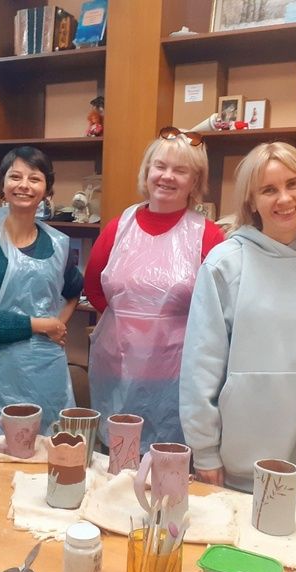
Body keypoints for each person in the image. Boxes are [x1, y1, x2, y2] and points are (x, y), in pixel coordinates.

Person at [179, 142, 296, 500]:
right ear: (251, 201)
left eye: (293, 184)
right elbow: (200, 366)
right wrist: (204, 450)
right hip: (244, 462)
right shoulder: (225, 263)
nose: (284, 198)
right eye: (269, 190)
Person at [85, 127, 225, 451]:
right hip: (116, 372)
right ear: (147, 171)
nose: (167, 176)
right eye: (160, 166)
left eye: (181, 170)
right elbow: (93, 288)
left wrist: (159, 338)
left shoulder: (209, 236)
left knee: (167, 469)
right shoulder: (118, 228)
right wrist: (134, 329)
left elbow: (218, 312)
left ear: (195, 180)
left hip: (176, 381)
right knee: (116, 464)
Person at [0, 146, 83, 438]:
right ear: (2, 185)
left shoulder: (57, 244)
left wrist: (58, 323)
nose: (24, 185)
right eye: (15, 177)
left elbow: (74, 289)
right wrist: (39, 325)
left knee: (49, 450)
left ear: (47, 189)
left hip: (45, 372)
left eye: (34, 178)